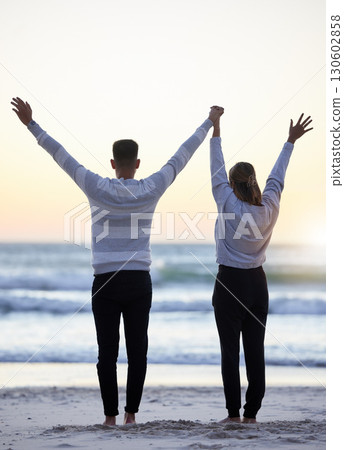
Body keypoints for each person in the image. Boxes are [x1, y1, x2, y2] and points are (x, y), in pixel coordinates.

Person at [11, 97, 224, 425]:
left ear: (113, 163)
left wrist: (31, 125)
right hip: (139, 281)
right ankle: (130, 416)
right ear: (137, 163)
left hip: (106, 281)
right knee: (137, 351)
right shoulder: (151, 186)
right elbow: (182, 155)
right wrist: (209, 122)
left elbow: (61, 156)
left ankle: (109, 418)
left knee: (106, 353)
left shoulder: (97, 186)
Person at [210, 112, 313, 423]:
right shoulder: (269, 206)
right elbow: (276, 178)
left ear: (230, 184)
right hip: (258, 284)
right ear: (253, 181)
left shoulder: (226, 201)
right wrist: (290, 141)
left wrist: (216, 127)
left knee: (231, 352)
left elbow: (215, 165)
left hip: (230, 283)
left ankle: (232, 414)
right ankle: (251, 414)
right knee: (255, 350)